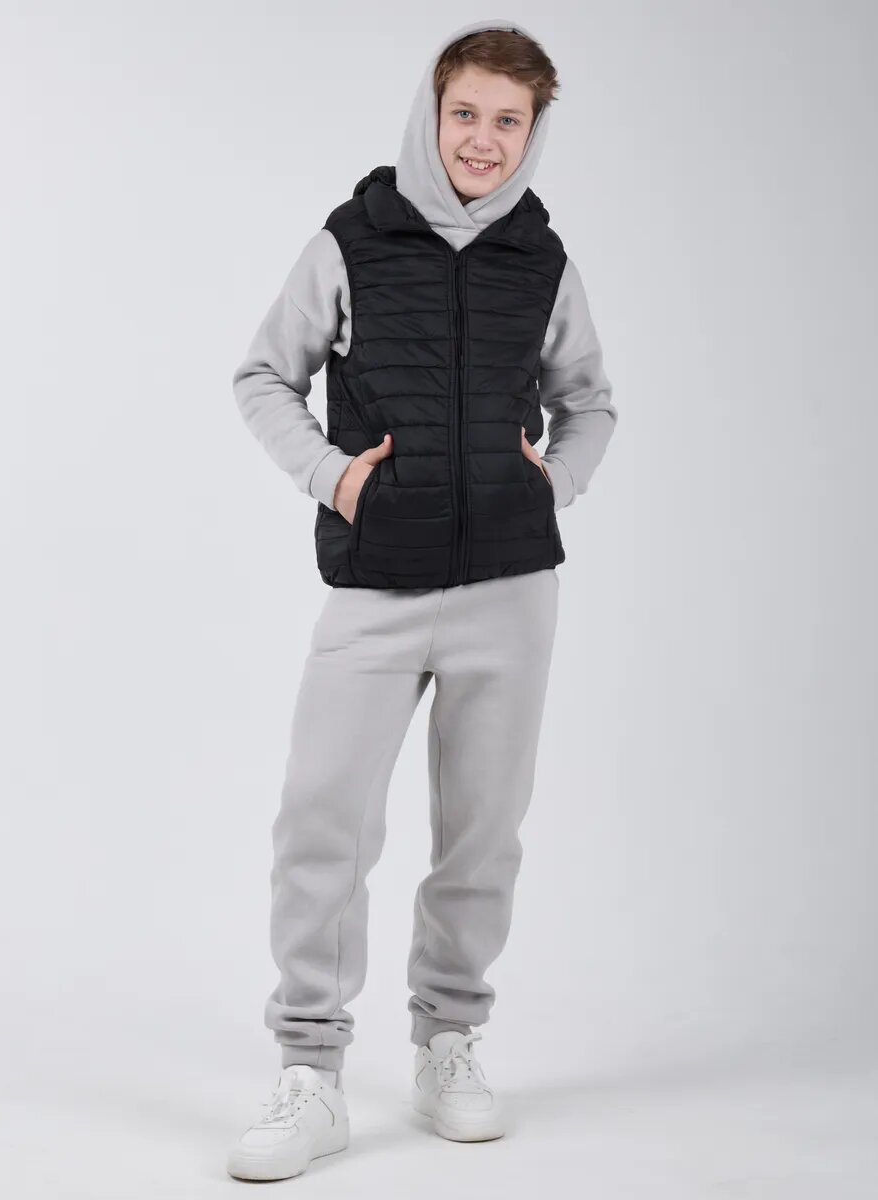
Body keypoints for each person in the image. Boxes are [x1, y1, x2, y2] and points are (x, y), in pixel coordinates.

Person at [226, 18, 617, 1181]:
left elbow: (590, 402)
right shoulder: (353, 240)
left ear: (533, 133)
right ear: (430, 114)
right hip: (376, 584)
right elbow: (263, 375)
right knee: (322, 821)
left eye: (510, 121)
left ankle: (450, 1042)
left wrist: (557, 482)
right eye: (466, 114)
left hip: (511, 588)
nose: (483, 140)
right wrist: (333, 475)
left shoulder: (542, 261)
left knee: (483, 832)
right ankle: (311, 1071)